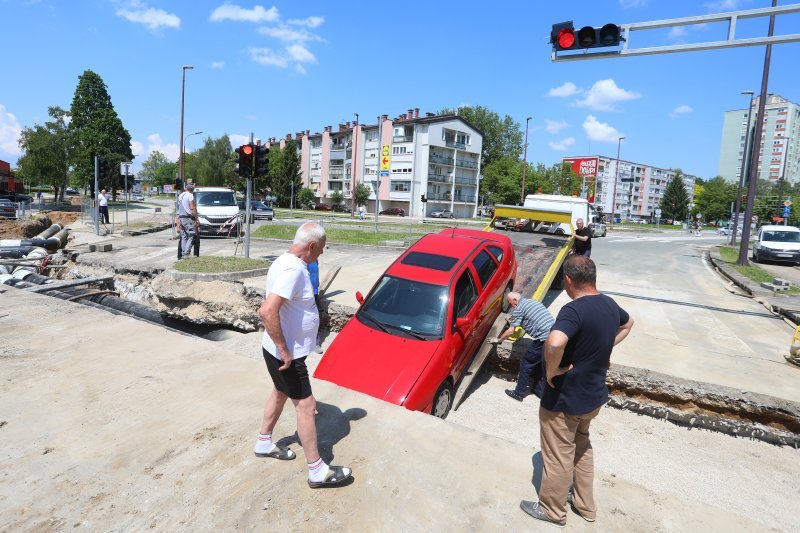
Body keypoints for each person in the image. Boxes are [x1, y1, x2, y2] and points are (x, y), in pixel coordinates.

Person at [520, 255, 633, 527]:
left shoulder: (573, 310)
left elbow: (555, 342)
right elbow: (628, 324)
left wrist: (550, 369)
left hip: (564, 400)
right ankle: (585, 506)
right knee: (581, 448)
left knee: (558, 456)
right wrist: (603, 349)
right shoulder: (609, 304)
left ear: (569, 280)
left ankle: (552, 510)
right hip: (592, 398)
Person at [254, 222, 352, 489]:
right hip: (287, 355)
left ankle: (264, 442)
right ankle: (317, 471)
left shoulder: (283, 261)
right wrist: (285, 350)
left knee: (279, 392)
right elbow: (267, 311)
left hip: (280, 351)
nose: (321, 254)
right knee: (306, 407)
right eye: (320, 250)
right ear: (311, 246)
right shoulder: (294, 270)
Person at [487, 292, 554, 402]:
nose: (511, 305)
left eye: (510, 303)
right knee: (539, 363)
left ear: (515, 300)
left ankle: (518, 393)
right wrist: (514, 321)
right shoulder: (531, 302)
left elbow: (510, 331)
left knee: (526, 364)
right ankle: (539, 390)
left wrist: (498, 340)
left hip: (543, 339)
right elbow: (530, 317)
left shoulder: (519, 309)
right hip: (555, 336)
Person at [177, 183, 198, 258]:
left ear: (186, 188)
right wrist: (196, 219)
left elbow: (178, 209)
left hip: (181, 217)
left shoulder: (180, 195)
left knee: (184, 236)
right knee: (191, 235)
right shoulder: (190, 195)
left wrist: (178, 223)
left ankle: (183, 253)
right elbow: (192, 208)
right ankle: (187, 253)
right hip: (187, 218)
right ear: (192, 190)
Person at [307, 259, 323, 353]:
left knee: (314, 317)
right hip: (306, 293)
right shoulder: (303, 260)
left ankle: (315, 342)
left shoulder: (315, 258)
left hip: (314, 292)